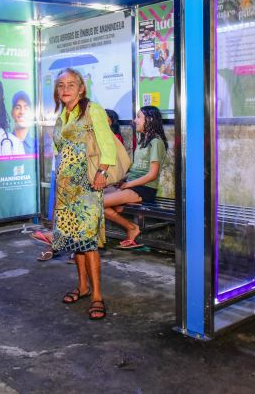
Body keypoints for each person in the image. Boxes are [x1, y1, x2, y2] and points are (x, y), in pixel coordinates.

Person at [50, 68, 116, 320]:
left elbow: (107, 144)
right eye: (60, 85)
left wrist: (102, 172)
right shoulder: (62, 115)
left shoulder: (93, 110)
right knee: (73, 240)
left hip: (87, 186)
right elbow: (59, 148)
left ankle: (97, 295)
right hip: (66, 189)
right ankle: (83, 286)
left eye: (71, 84)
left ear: (81, 88)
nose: (65, 89)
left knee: (88, 242)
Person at [103, 105, 167, 248]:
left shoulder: (156, 142)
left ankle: (132, 228)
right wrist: (120, 180)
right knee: (95, 199)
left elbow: (152, 175)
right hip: (132, 185)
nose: (134, 120)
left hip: (144, 189)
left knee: (98, 203)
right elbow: (135, 168)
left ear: (149, 120)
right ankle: (131, 227)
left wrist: (127, 185)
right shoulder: (142, 139)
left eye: (139, 117)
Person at [10, 90, 36, 155]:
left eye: (26, 108)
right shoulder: (5, 143)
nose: (22, 112)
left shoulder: (37, 145)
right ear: (12, 113)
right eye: (18, 107)